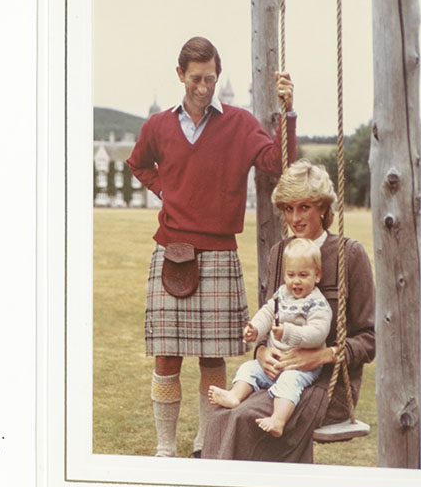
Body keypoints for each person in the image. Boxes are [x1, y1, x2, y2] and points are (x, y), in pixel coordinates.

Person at [126, 36, 296, 457]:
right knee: (166, 358)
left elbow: (276, 163)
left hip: (220, 254)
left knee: (212, 360)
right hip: (170, 251)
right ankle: (166, 449)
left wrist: (287, 112)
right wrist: (164, 188)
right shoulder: (158, 126)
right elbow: (137, 163)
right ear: (180, 75)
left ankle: (205, 445)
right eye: (196, 79)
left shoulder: (239, 123)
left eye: (211, 79)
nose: (203, 87)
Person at [201, 159, 376, 463]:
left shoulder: (350, 255)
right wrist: (260, 353)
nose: (295, 218)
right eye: (288, 209)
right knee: (220, 416)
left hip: (324, 385)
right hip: (276, 374)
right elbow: (271, 316)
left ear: (322, 207)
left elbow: (369, 340)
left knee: (246, 418)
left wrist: (322, 355)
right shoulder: (279, 253)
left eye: (304, 207)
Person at [208, 237, 331, 438]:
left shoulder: (316, 303)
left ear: (317, 276)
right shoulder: (282, 294)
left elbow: (318, 333)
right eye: (291, 275)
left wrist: (288, 332)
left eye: (303, 275)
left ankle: (278, 420)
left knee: (289, 382)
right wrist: (255, 329)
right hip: (274, 363)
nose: (296, 281)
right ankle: (234, 396)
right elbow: (267, 313)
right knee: (249, 368)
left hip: (301, 367)